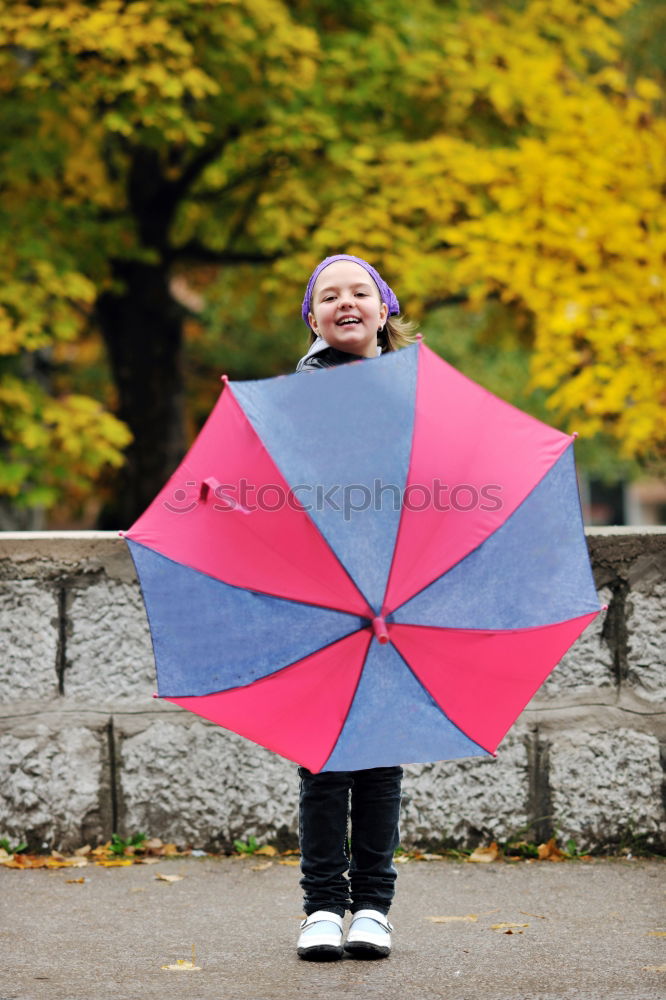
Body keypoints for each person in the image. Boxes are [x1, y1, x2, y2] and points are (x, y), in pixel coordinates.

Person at [294, 254, 417, 961]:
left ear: (383, 308)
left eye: (359, 291)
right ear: (313, 320)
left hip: (395, 598)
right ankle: (321, 906)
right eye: (329, 295)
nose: (346, 302)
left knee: (378, 760)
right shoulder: (298, 398)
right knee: (325, 759)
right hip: (322, 597)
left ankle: (373, 905)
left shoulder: (417, 393)